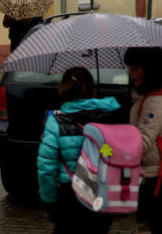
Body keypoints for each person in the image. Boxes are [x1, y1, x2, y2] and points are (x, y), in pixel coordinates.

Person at [36, 67, 120, 234]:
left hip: (72, 198)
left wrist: (50, 203)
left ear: (63, 88)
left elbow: (46, 170)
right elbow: (113, 154)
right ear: (92, 89)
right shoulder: (109, 116)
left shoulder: (56, 122)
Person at [125, 47, 162, 234]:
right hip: (151, 175)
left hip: (158, 177)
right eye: (129, 68)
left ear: (150, 69)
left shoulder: (154, 101)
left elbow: (143, 141)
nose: (130, 74)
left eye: (135, 68)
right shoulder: (144, 97)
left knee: (161, 227)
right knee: (159, 226)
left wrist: (111, 148)